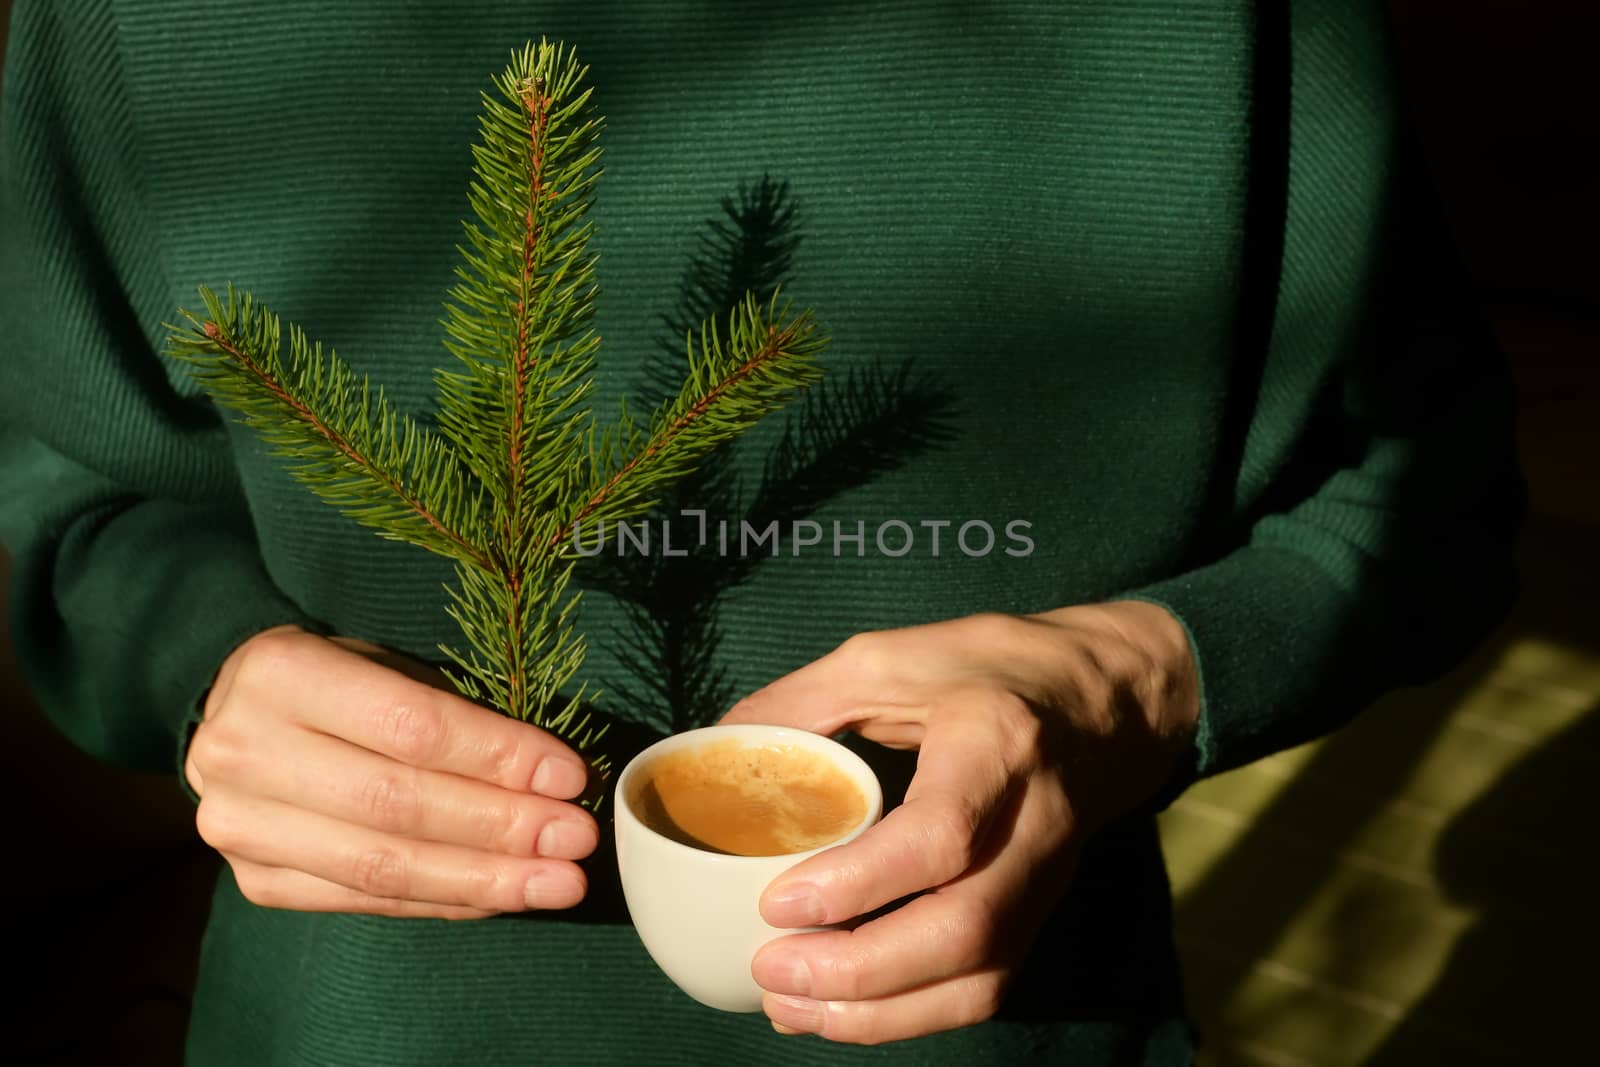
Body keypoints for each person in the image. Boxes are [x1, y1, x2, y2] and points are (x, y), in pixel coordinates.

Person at [0, 1, 1521, 1063]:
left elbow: (1426, 491)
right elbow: (61, 487)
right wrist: (210, 662)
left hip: (1011, 1027)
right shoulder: (152, 20)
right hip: (356, 1028)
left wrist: (1138, 679)